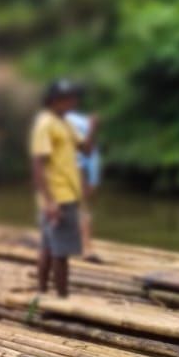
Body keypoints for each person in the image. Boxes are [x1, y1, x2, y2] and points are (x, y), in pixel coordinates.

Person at [30, 80, 94, 298]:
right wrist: (50, 201)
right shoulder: (45, 124)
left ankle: (42, 292)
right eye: (68, 98)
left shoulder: (65, 123)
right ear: (55, 100)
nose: (73, 102)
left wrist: (92, 129)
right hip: (58, 197)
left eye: (73, 98)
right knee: (61, 252)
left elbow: (85, 150)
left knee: (49, 248)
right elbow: (38, 165)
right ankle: (62, 297)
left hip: (68, 194)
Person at [64, 99, 102, 262]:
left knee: (80, 209)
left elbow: (91, 151)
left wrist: (93, 178)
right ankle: (79, 246)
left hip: (75, 168)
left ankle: (86, 247)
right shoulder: (51, 122)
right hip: (64, 169)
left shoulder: (80, 122)